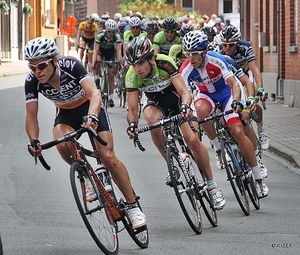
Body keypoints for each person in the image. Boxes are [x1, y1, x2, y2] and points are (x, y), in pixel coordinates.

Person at [24, 36, 146, 230]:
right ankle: (86, 177)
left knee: (108, 157)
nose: (36, 72)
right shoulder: (32, 81)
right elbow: (31, 116)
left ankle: (133, 207)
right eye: (32, 67)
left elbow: (95, 94)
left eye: (41, 66)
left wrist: (92, 116)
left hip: (90, 107)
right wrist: (34, 140)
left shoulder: (71, 66)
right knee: (63, 144)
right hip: (65, 113)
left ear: (54, 61)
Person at [125, 36, 226, 210]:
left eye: (140, 63)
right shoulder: (132, 76)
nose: (137, 69)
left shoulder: (165, 63)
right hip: (156, 104)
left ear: (151, 58)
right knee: (151, 119)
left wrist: (186, 106)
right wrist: (132, 124)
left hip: (178, 102)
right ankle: (171, 162)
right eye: (133, 64)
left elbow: (184, 91)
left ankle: (212, 185)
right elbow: (133, 110)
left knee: (193, 141)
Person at [180, 30, 269, 198]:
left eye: (195, 54)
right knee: (200, 109)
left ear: (204, 52)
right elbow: (186, 91)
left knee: (237, 131)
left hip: (227, 93)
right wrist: (186, 106)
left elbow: (235, 84)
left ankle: (258, 178)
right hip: (206, 95)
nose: (191, 58)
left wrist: (236, 101)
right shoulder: (186, 68)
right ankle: (218, 148)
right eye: (188, 54)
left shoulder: (217, 60)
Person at [218, 25, 270, 150]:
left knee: (251, 106)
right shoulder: (219, 51)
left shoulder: (245, 47)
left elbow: (254, 69)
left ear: (237, 43)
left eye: (231, 45)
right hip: (231, 80)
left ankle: (261, 130)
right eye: (225, 45)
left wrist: (261, 88)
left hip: (246, 77)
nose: (227, 48)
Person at [92, 19, 123, 108]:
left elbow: (118, 51)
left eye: (113, 32)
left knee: (111, 74)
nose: (111, 34)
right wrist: (94, 62)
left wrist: (119, 62)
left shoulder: (116, 36)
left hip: (110, 53)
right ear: (106, 30)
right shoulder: (100, 35)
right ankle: (97, 78)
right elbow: (96, 50)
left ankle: (111, 97)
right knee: (98, 60)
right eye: (109, 32)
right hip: (101, 51)